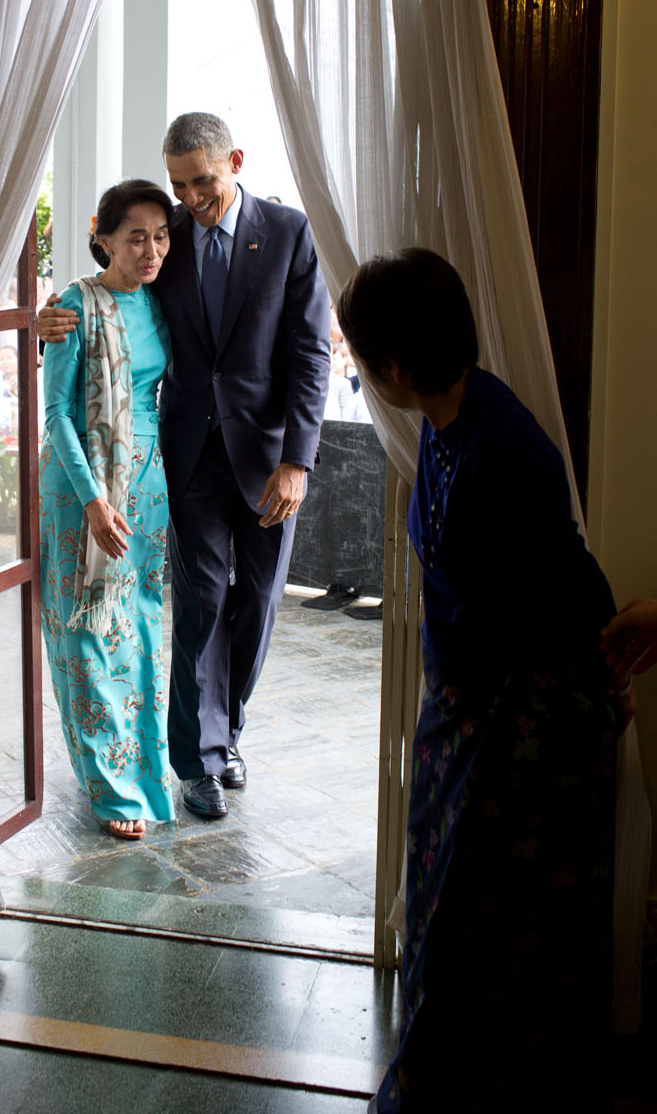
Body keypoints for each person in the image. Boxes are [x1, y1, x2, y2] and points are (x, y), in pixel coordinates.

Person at [336, 248, 618, 1114]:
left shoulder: (497, 444)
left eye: (358, 355)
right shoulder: (450, 413)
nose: (356, 368)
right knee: (449, 913)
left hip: (522, 722)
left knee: (482, 924)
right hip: (471, 707)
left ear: (391, 365)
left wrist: (603, 671)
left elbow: (562, 580)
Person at [41, 114, 329, 818]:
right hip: (186, 459)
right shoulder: (159, 233)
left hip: (267, 461)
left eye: (202, 181)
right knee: (198, 603)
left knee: (257, 604)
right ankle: (196, 760)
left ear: (233, 160)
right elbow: (109, 290)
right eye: (179, 186)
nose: (191, 200)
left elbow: (310, 353)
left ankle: (226, 730)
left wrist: (297, 460)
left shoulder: (288, 233)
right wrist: (50, 317)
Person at [39, 180, 176, 839]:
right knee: (88, 628)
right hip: (83, 487)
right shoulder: (74, 304)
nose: (150, 249)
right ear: (103, 238)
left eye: (160, 235)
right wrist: (93, 500)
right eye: (135, 236)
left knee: (141, 627)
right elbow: (56, 415)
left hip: (148, 486)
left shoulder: (159, 301)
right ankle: (111, 789)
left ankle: (147, 775)